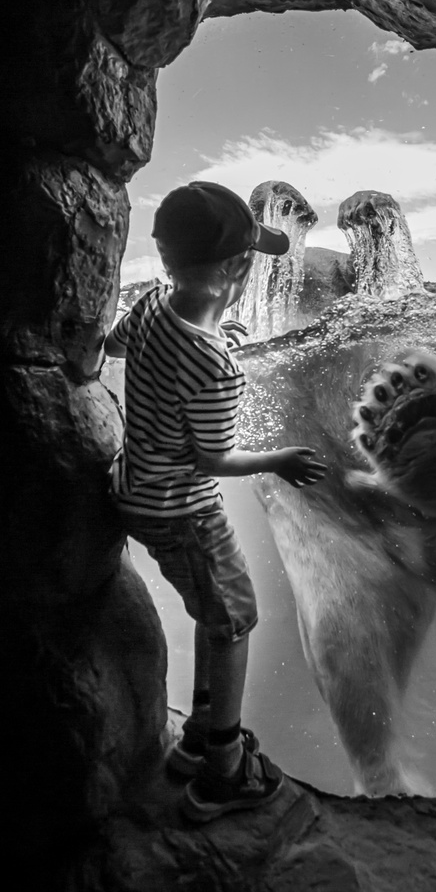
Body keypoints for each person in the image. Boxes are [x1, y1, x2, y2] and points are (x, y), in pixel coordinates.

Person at [104, 181, 327, 822]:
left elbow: (117, 345)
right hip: (186, 511)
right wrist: (279, 460)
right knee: (235, 621)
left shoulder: (153, 305)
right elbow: (213, 460)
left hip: (135, 492)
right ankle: (223, 772)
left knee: (212, 612)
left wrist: (210, 331)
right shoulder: (217, 369)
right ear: (236, 269)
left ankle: (198, 737)